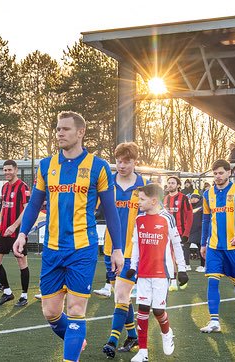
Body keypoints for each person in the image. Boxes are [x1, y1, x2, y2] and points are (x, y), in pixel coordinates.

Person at [12, 111, 124, 361]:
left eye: (65, 129)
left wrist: (117, 248)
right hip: (52, 249)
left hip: (82, 248)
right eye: (58, 129)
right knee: (51, 313)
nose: (59, 133)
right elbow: (33, 204)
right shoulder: (46, 166)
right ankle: (76, 338)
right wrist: (22, 234)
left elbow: (110, 210)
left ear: (80, 132)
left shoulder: (99, 166)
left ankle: (71, 352)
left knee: (75, 310)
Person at [125, 183, 188, 362]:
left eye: (142, 199)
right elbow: (136, 244)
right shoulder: (139, 219)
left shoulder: (167, 218)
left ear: (154, 201)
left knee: (158, 310)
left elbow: (177, 244)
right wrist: (132, 266)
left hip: (162, 273)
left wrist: (182, 270)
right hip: (143, 273)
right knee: (143, 309)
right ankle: (143, 352)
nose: (139, 202)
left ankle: (167, 333)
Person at [198, 160, 235, 333]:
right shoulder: (207, 194)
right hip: (214, 246)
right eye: (215, 173)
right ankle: (214, 321)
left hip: (233, 247)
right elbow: (206, 219)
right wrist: (203, 243)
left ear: (229, 173)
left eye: (221, 173)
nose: (218, 176)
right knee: (212, 281)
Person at [102, 142, 145, 358]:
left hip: (133, 252)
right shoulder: (107, 183)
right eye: (118, 161)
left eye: (126, 161)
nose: (121, 165)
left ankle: (111, 340)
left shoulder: (144, 186)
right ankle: (133, 335)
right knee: (121, 297)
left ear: (134, 161)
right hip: (110, 248)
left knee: (121, 294)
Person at [0, 160, 31, 307]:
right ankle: (8, 292)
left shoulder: (23, 187)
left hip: (17, 232)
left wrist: (14, 226)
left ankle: (24, 296)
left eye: (9, 170)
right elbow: (4, 207)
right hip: (3, 232)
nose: (7, 172)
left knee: (22, 263)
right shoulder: (4, 187)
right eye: (5, 170)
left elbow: (27, 209)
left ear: (15, 170)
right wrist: (1, 225)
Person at [162, 176, 193, 290]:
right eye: (169, 183)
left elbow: (189, 216)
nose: (170, 185)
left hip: (179, 232)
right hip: (166, 232)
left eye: (173, 183)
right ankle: (174, 280)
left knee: (176, 256)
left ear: (178, 185)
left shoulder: (184, 198)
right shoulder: (164, 199)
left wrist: (186, 234)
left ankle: (181, 275)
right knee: (169, 256)